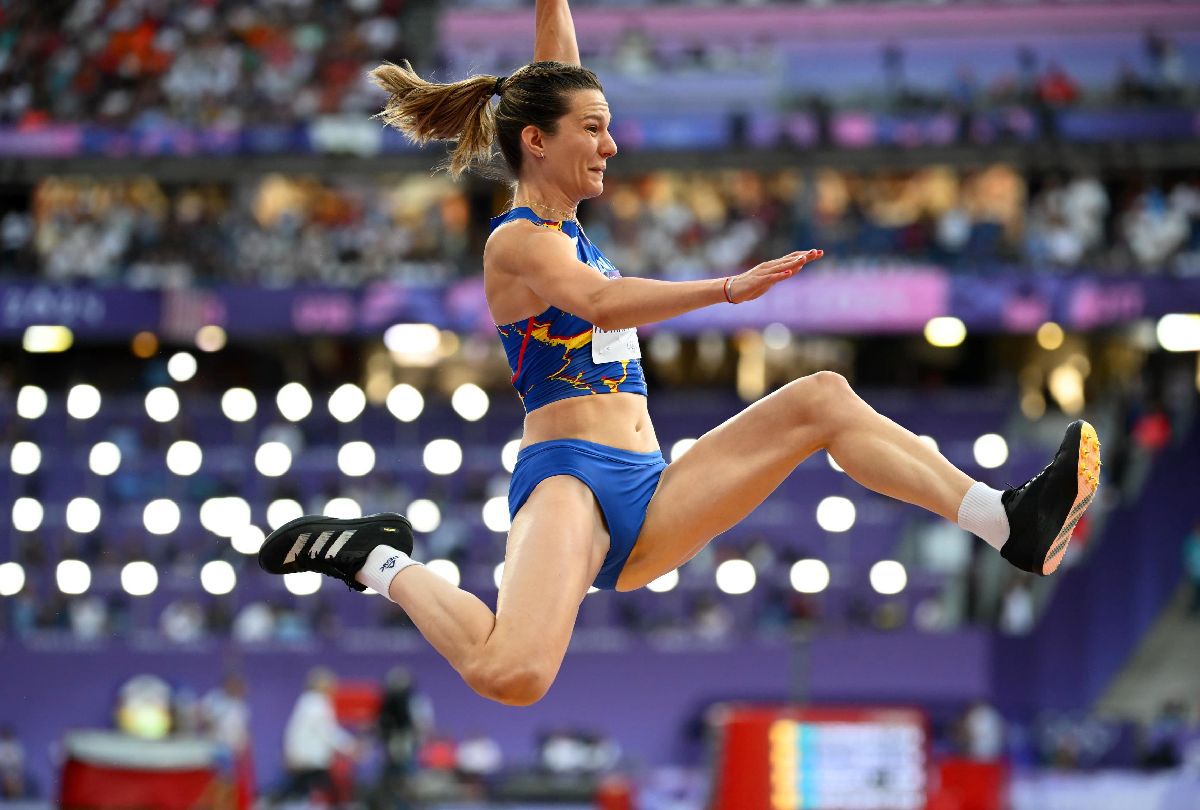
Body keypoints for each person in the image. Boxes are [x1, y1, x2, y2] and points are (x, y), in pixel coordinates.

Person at [259, 0, 1102, 708]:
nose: (612, 145)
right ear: (537, 146)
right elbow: (599, 301)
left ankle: (1007, 523)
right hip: (569, 483)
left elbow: (553, 71)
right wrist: (724, 290)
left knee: (824, 398)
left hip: (649, 485)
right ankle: (375, 556)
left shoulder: (564, 220)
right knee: (510, 674)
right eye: (594, 130)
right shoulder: (517, 243)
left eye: (610, 127)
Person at [279, 668, 356, 806]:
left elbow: (293, 731)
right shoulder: (318, 703)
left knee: (303, 790)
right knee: (322, 791)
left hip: (304, 757)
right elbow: (327, 731)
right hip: (311, 758)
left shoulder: (306, 702)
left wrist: (290, 753)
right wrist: (349, 746)